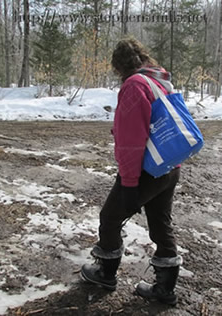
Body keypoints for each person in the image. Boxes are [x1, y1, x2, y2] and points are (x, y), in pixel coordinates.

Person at [81, 38, 182, 306]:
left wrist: (128, 184)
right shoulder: (157, 81)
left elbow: (131, 143)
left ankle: (105, 274)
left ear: (118, 65)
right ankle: (165, 289)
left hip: (147, 168)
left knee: (110, 218)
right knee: (161, 223)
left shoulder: (133, 86)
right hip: (169, 166)